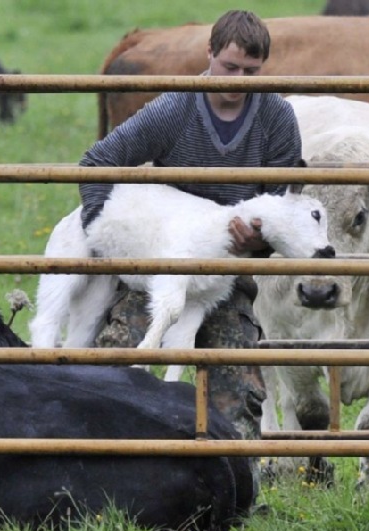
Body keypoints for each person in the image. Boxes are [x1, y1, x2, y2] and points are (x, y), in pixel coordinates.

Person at [77, 10, 302, 454]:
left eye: (251, 72)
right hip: (163, 267)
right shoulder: (175, 107)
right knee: (117, 370)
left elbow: (285, 206)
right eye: (230, 67)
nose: (238, 81)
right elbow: (97, 163)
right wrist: (102, 235)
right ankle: (108, 474)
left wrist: (256, 242)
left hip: (226, 278)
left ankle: (236, 487)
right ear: (209, 54)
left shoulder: (276, 118)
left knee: (235, 392)